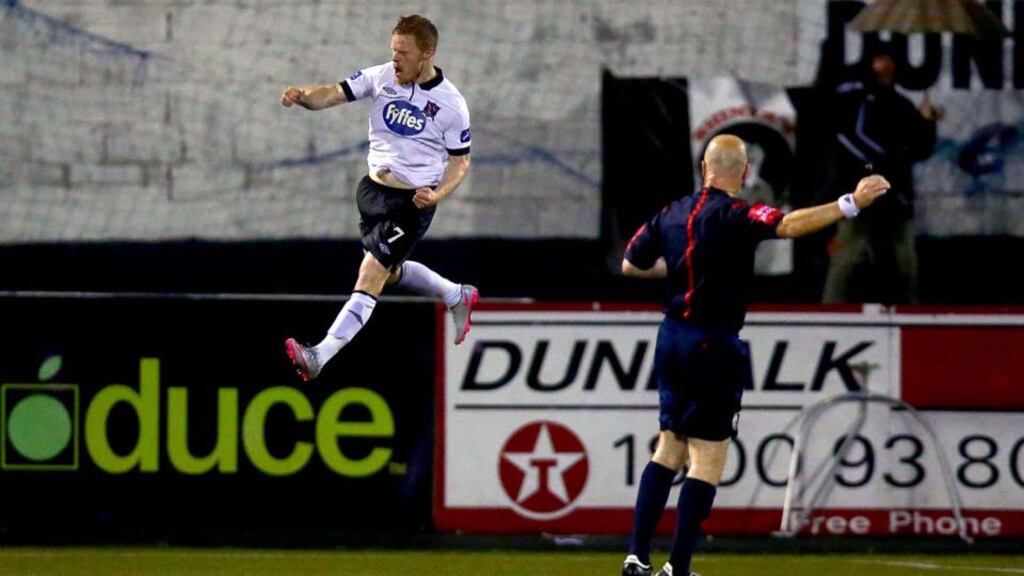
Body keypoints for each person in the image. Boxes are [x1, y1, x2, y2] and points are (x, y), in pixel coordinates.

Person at [620, 134, 890, 576]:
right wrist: (851, 203)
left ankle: (635, 557)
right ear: (744, 173)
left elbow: (632, 264)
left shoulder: (671, 212)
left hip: (671, 338)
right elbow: (787, 225)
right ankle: (678, 568)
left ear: (702, 166)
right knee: (708, 456)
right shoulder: (736, 213)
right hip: (713, 343)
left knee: (669, 447)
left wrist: (687, 264)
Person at [280, 14, 478, 381]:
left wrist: (437, 195)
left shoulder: (451, 105)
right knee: (388, 273)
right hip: (371, 194)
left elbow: (460, 162)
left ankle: (319, 355)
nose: (395, 59)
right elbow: (334, 93)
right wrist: (303, 96)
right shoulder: (382, 76)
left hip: (411, 206)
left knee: (371, 271)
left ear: (427, 53)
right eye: (393, 50)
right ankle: (456, 295)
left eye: (403, 52)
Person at [820, 43, 940, 304]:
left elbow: (921, 150)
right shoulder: (860, 100)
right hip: (861, 190)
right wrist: (884, 165)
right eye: (879, 59)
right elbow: (850, 138)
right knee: (847, 256)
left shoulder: (903, 105)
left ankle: (911, 317)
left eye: (889, 60)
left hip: (896, 194)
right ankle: (829, 312)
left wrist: (928, 124)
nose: (885, 65)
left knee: (905, 260)